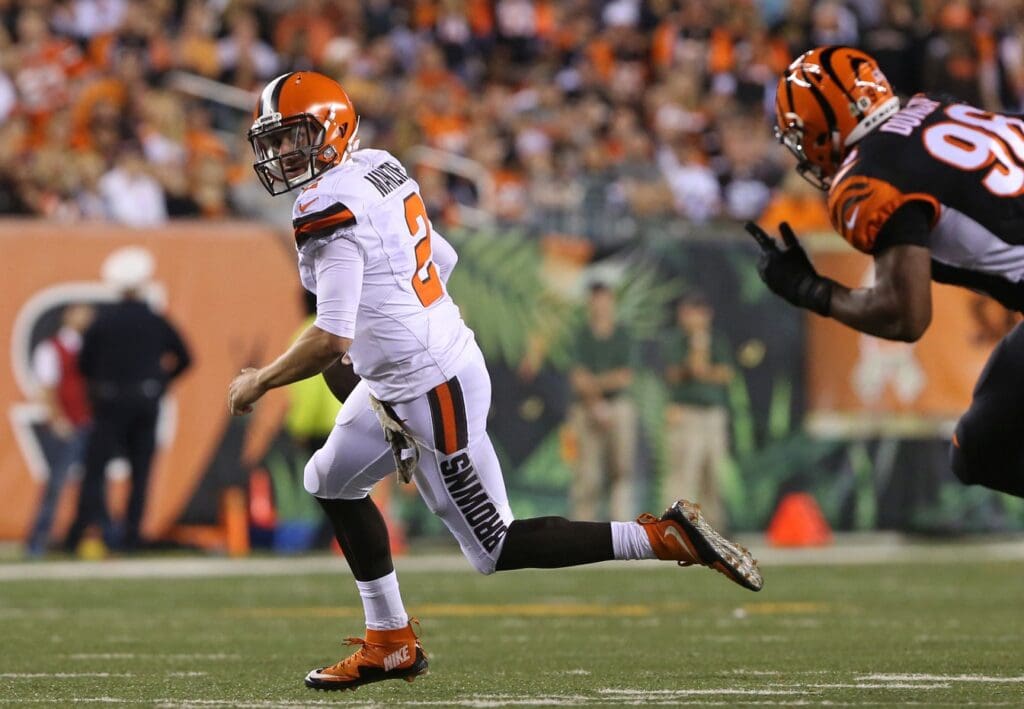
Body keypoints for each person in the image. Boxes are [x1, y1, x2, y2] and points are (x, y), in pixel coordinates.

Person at [228, 71, 763, 693]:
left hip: (433, 390)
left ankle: (663, 537)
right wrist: (404, 338)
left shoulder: (326, 207)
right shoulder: (377, 167)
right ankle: (390, 641)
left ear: (332, 129)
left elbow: (332, 340)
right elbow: (442, 259)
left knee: (496, 547)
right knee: (328, 479)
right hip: (414, 378)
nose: (281, 155)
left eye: (294, 137)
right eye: (275, 140)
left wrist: (259, 381)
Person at [746, 46, 1024, 502]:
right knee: (978, 448)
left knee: (982, 452)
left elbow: (905, 316)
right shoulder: (937, 107)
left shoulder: (869, 177)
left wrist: (809, 289)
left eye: (800, 136)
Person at [64, 246, 192, 553]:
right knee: (141, 471)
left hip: (109, 404)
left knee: (95, 470)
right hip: (145, 402)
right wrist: (158, 383)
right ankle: (131, 536)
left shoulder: (102, 321)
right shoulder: (155, 320)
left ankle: (84, 532)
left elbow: (83, 365)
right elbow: (186, 358)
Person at [25, 303, 95, 557]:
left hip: (88, 422)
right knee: (55, 484)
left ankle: (85, 538)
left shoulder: (89, 347)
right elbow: (46, 387)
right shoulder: (51, 348)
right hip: (66, 425)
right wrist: (57, 420)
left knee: (93, 485)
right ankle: (37, 539)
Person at [661, 293, 734, 529]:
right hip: (687, 414)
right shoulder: (677, 341)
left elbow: (725, 374)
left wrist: (704, 369)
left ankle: (713, 530)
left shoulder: (718, 340)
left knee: (713, 475)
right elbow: (690, 370)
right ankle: (676, 526)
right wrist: (698, 345)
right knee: (684, 474)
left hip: (712, 416)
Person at [567, 283, 638, 520]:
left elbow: (625, 377)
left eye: (605, 300)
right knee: (587, 473)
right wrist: (597, 402)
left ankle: (621, 528)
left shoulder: (623, 335)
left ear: (612, 302)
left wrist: (594, 385)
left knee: (622, 470)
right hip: (586, 407)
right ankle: (583, 529)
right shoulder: (581, 335)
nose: (601, 306)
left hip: (619, 407)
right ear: (590, 304)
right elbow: (577, 378)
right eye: (596, 300)